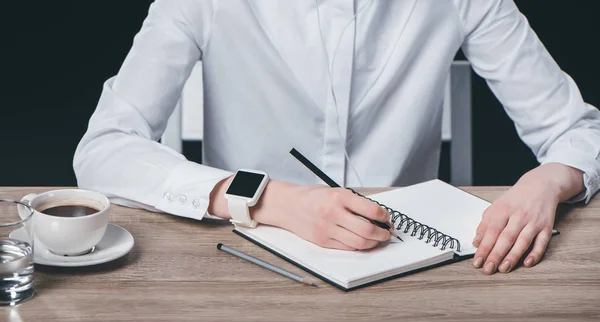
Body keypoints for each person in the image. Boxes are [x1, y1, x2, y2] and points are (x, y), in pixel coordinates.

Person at [74, 0, 600, 275]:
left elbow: (578, 130)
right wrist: (271, 199)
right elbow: (104, 149)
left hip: (411, 268)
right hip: (244, 266)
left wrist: (548, 180)